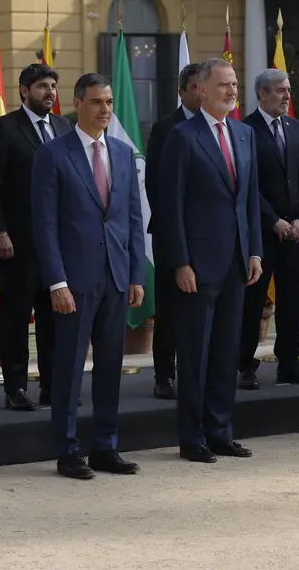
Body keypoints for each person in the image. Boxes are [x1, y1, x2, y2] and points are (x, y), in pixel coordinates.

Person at [31, 73, 147, 480]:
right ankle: (67, 451)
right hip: (74, 282)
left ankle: (105, 447)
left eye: (110, 102)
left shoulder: (121, 152)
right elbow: (44, 225)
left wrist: (135, 274)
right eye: (97, 102)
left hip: (116, 277)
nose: (105, 110)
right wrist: (57, 282)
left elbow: (132, 219)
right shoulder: (53, 154)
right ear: (77, 103)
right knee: (68, 368)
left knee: (111, 366)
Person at [156, 57, 263, 464]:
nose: (232, 91)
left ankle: (221, 431)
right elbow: (171, 206)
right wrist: (180, 261)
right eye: (224, 85)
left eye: (234, 84)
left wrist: (254, 250)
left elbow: (249, 199)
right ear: (201, 89)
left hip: (236, 261)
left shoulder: (244, 134)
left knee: (225, 352)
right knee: (196, 354)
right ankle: (192, 436)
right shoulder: (182, 137)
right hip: (196, 266)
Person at [0, 64, 71, 410]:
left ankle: (52, 387)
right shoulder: (4, 129)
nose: (50, 93)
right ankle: (15, 388)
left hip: (59, 244)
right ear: (23, 91)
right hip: (18, 243)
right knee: (17, 316)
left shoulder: (64, 127)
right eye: (42, 87)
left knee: (54, 318)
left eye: (53, 86)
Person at [239, 69, 299, 389]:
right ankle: (245, 364)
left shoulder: (297, 128)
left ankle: (289, 363)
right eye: (280, 91)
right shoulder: (244, 130)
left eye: (288, 90)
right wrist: (273, 220)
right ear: (262, 94)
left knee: (291, 300)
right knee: (253, 299)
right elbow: (246, 184)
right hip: (261, 232)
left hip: (295, 233)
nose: (287, 96)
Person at [144, 62, 202, 400]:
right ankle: (164, 375)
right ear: (182, 91)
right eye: (194, 86)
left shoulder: (219, 127)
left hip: (208, 237)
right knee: (169, 310)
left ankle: (197, 373)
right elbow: (157, 185)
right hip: (171, 234)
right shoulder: (167, 127)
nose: (201, 91)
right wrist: (174, 230)